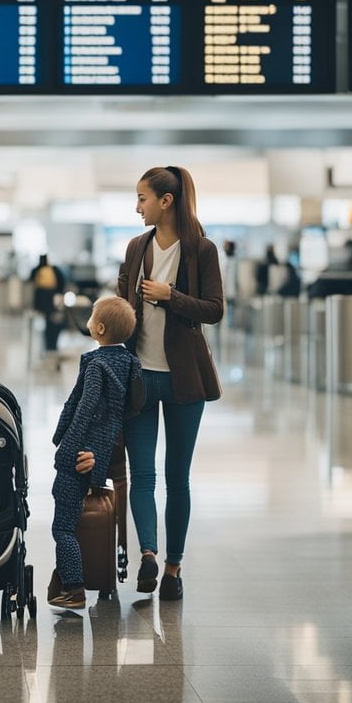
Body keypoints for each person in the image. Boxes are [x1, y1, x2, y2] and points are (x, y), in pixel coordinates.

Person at [115, 165, 224, 602]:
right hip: (139, 376)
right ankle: (148, 554)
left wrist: (170, 296)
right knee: (142, 474)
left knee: (176, 477)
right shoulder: (135, 247)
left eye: (142, 198)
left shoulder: (201, 250)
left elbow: (214, 309)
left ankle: (174, 568)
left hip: (184, 381)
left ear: (166, 201)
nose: (137, 206)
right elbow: (125, 304)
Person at [48, 297, 141, 609]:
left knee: (63, 526)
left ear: (99, 329)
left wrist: (67, 451)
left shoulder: (96, 364)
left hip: (79, 455)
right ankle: (72, 579)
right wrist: (98, 455)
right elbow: (125, 410)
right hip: (102, 451)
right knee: (77, 519)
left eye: (91, 315)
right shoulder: (129, 363)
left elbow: (84, 410)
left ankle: (73, 587)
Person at [29, 254, 67, 353]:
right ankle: (48, 346)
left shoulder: (50, 270)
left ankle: (51, 346)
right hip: (45, 299)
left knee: (52, 323)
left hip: (49, 300)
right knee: (49, 323)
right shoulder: (41, 270)